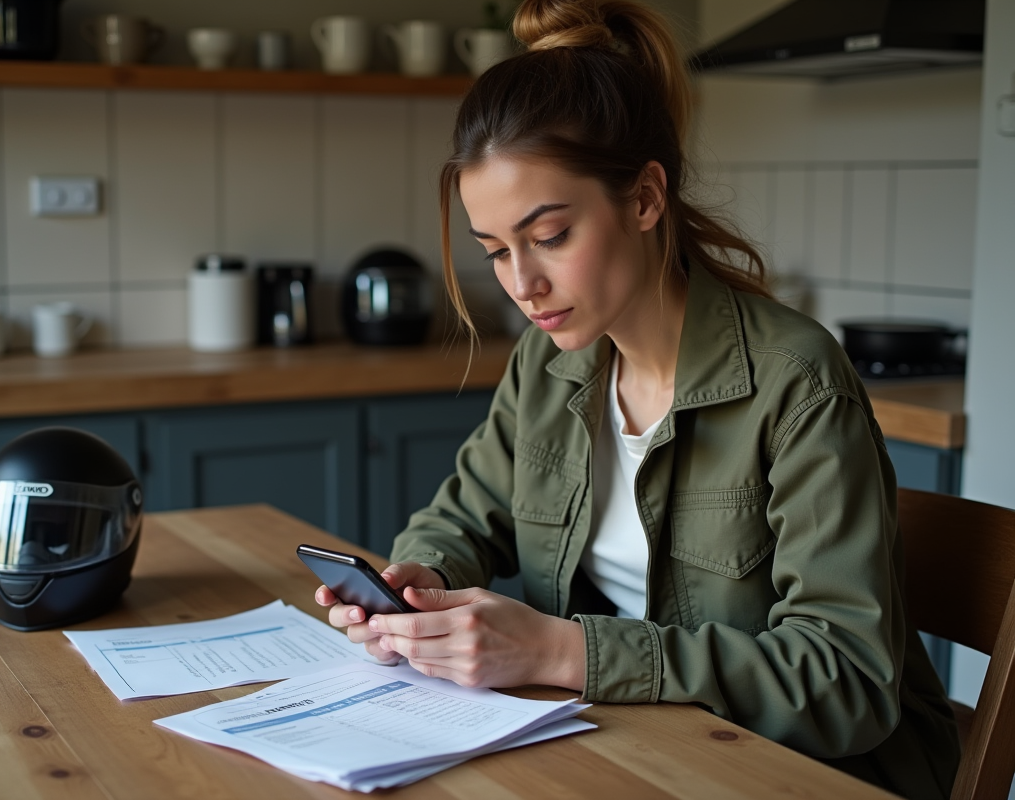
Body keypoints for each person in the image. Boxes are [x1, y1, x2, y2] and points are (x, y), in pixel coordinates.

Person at [314, 0, 960, 795]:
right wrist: (415, 587)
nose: (524, 284)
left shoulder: (797, 383)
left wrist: (561, 651)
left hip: (811, 774)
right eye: (496, 252)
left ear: (646, 198)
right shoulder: (547, 365)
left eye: (550, 237)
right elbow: (464, 515)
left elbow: (846, 682)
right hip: (635, 749)